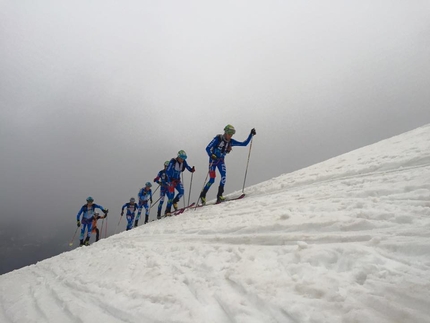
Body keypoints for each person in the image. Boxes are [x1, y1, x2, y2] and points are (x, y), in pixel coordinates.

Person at [199, 125, 256, 204]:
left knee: (223, 176)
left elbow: (244, 144)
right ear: (225, 132)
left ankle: (219, 195)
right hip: (213, 161)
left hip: (221, 161)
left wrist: (251, 135)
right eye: (229, 134)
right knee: (212, 179)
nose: (230, 136)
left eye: (232, 134)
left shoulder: (231, 142)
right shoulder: (217, 139)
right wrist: (211, 155)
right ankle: (203, 194)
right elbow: (207, 148)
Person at [164, 150, 195, 215]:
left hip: (177, 180)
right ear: (178, 156)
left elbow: (187, 167)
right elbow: (167, 171)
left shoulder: (184, 162)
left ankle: (175, 201)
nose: (182, 160)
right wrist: (170, 181)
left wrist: (191, 170)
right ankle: (167, 210)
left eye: (184, 158)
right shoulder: (173, 161)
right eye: (181, 158)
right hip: (171, 181)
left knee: (181, 192)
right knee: (171, 196)